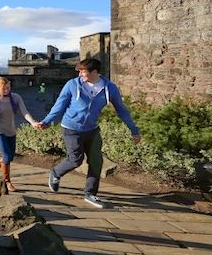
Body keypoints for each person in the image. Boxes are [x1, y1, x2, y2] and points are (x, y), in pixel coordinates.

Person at [34, 58, 141, 208]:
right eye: (79, 71)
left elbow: (121, 110)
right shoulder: (72, 85)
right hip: (71, 128)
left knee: (96, 161)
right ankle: (56, 173)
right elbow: (59, 105)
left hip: (92, 130)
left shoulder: (109, 88)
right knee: (75, 160)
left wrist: (134, 130)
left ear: (95, 72)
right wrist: (46, 122)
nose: (80, 74)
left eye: (83, 71)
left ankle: (90, 194)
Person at [0, 77, 39, 192]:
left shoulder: (16, 98)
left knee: (10, 157)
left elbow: (25, 112)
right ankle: (7, 182)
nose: (7, 90)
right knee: (7, 156)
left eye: (8, 88)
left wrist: (33, 122)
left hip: (11, 131)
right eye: (4, 88)